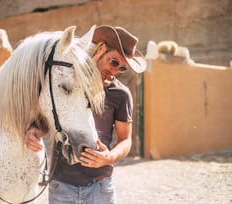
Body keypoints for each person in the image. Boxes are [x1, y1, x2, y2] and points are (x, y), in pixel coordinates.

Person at [25, 25, 146, 204]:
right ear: (101, 49)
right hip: (62, 186)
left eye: (122, 68)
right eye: (114, 62)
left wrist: (109, 157)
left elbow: (125, 140)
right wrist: (34, 130)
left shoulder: (121, 94)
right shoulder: (69, 81)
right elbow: (51, 113)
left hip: (100, 187)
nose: (115, 71)